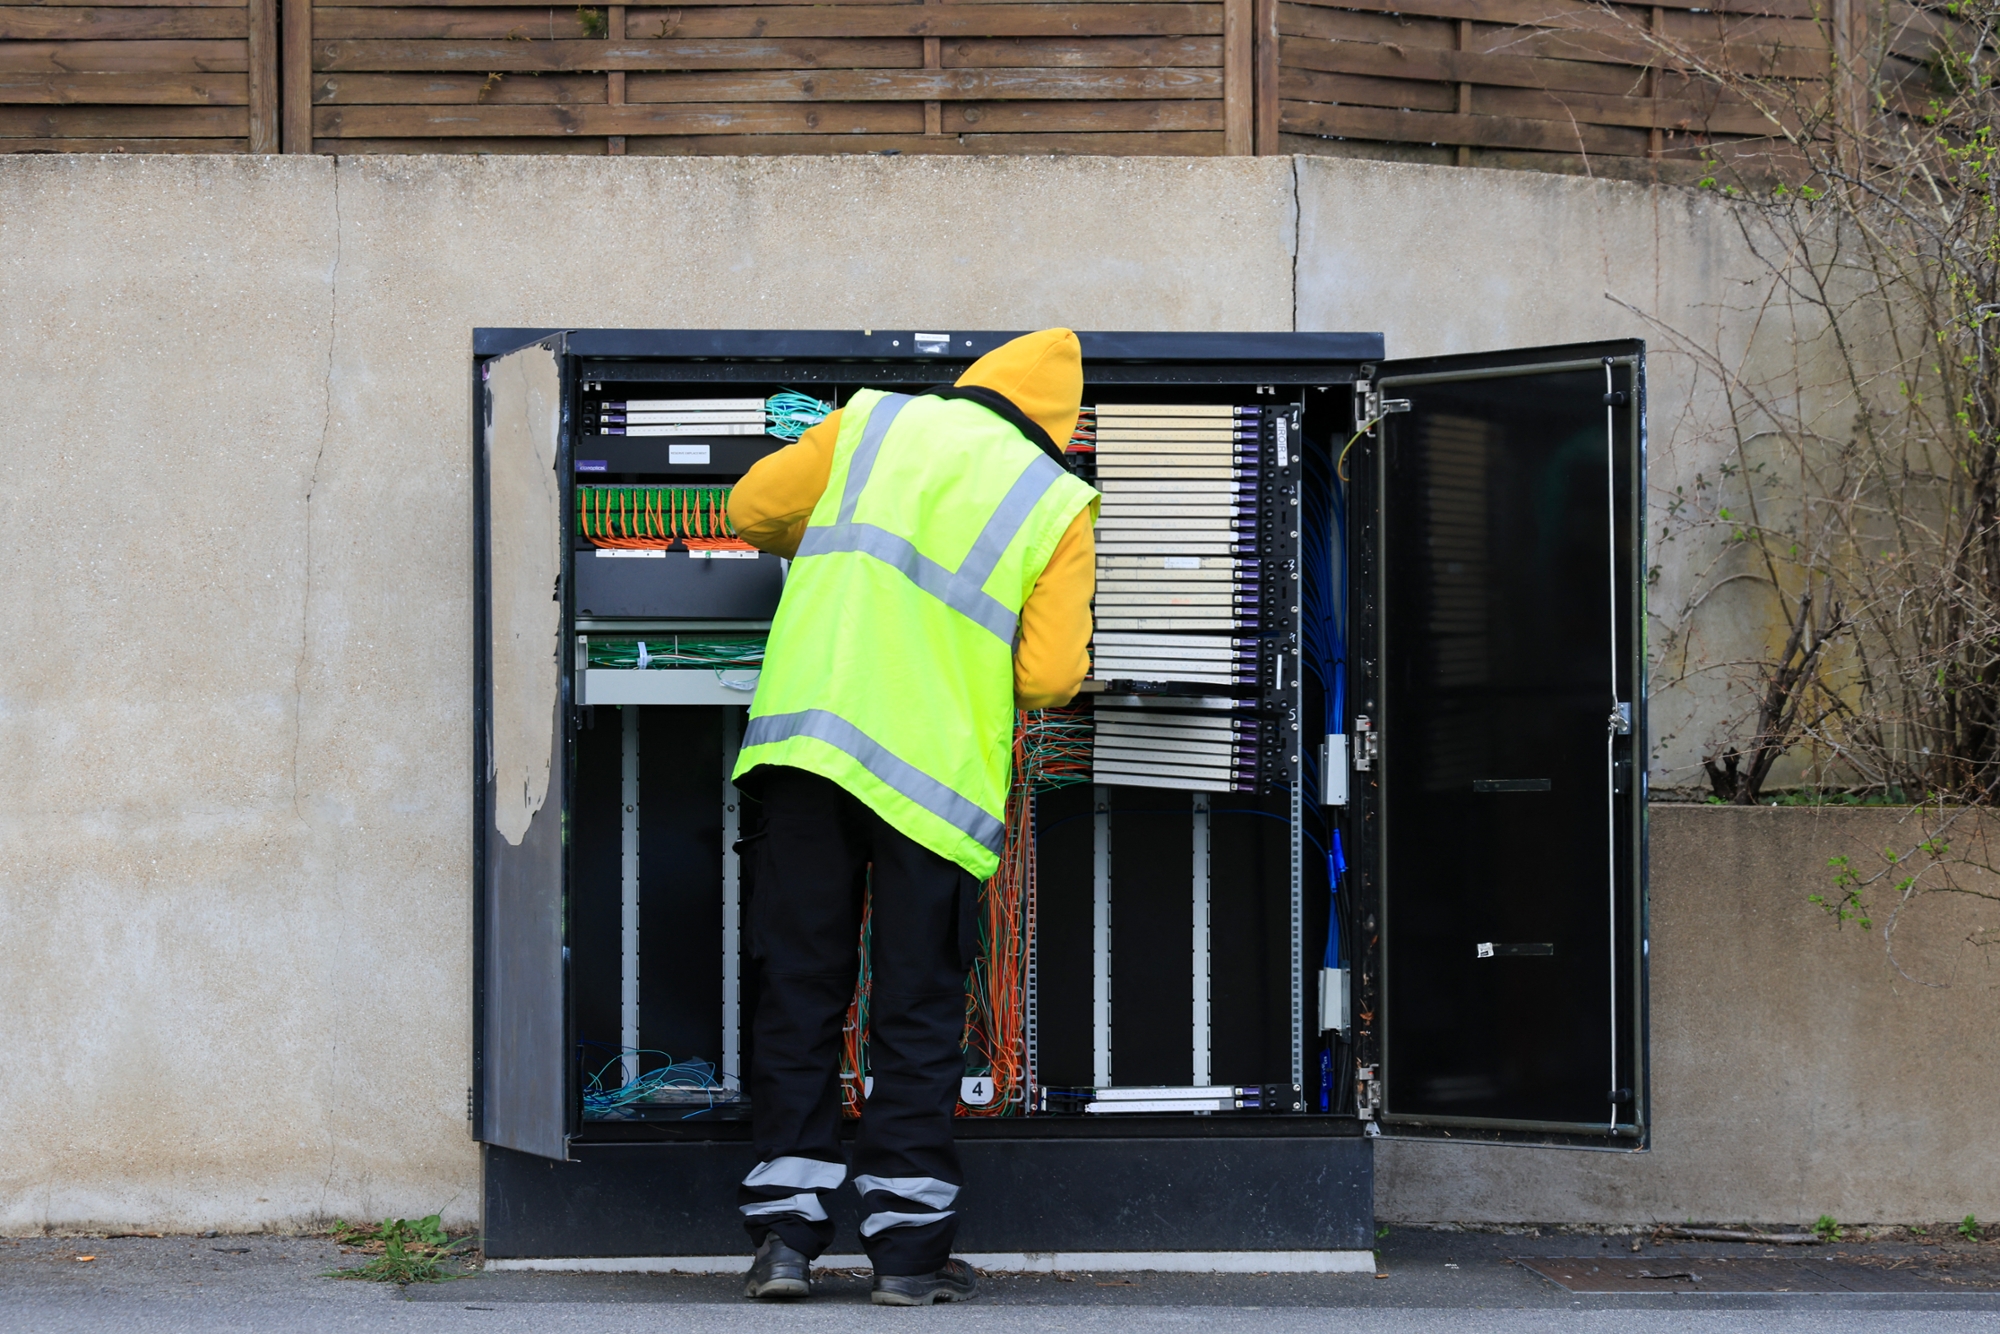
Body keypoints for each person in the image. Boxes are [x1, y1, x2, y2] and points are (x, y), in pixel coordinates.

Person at [724, 329, 1099, 1306]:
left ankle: (784, 1240)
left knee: (799, 989)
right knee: (917, 1008)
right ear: (1057, 426)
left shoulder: (872, 420)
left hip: (809, 749)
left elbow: (751, 508)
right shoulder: (1055, 499)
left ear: (973, 384)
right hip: (931, 785)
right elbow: (1051, 675)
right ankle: (906, 1253)